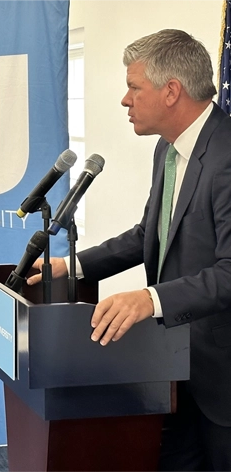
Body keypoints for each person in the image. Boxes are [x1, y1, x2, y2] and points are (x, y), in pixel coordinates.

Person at [28, 29, 231, 471]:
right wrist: (73, 266)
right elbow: (148, 235)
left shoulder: (227, 154)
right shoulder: (168, 149)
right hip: (173, 364)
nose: (125, 99)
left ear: (171, 91)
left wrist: (150, 299)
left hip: (222, 379)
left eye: (134, 87)